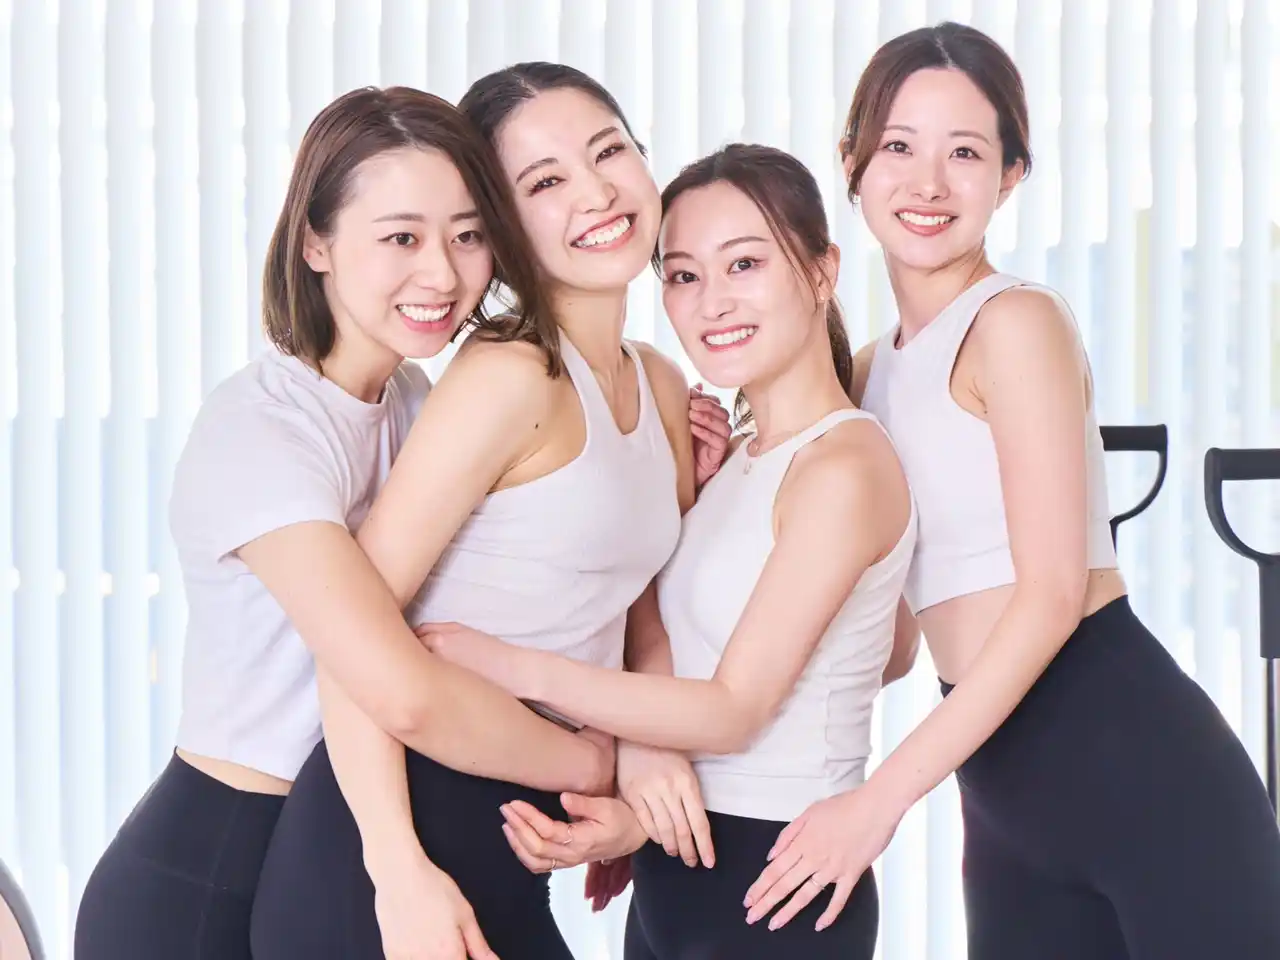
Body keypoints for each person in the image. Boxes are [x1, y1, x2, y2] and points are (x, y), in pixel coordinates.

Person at [744, 21, 1280, 960]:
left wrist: (877, 802)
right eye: (899, 147)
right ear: (853, 163)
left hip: (1138, 764)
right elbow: (893, 639)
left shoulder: (1016, 322)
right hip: (1002, 796)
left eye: (965, 153)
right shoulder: (864, 376)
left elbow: (1051, 597)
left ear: (1011, 176)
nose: (928, 182)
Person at [71, 86, 613, 960]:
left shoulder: (416, 399)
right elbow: (398, 686)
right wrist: (591, 765)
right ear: (315, 243)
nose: (443, 275)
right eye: (401, 238)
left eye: (468, 235)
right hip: (213, 875)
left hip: (342, 839)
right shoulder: (262, 431)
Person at [248, 63, 731, 960]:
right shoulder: (508, 377)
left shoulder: (661, 384)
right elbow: (355, 643)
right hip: (398, 848)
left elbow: (642, 616)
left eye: (608, 152)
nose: (595, 192)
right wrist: (395, 872)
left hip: (516, 836)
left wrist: (641, 761)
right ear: (501, 225)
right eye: (545, 182)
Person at [420, 142, 920, 960]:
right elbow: (881, 648)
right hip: (678, 868)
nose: (712, 302)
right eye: (683, 275)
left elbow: (732, 709)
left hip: (776, 883)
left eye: (745, 263)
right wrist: (638, 801)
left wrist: (512, 668)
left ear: (822, 270)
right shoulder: (743, 458)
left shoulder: (845, 466)